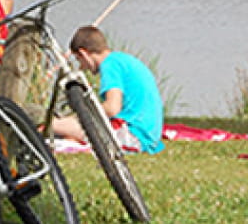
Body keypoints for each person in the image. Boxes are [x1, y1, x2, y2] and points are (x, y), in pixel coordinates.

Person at [52, 25, 164, 154]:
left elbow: (112, 108)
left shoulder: (110, 65)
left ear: (84, 53)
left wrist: (81, 114)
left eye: (79, 60)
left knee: (56, 125)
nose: (82, 67)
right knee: (69, 131)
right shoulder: (121, 59)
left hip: (135, 136)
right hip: (147, 134)